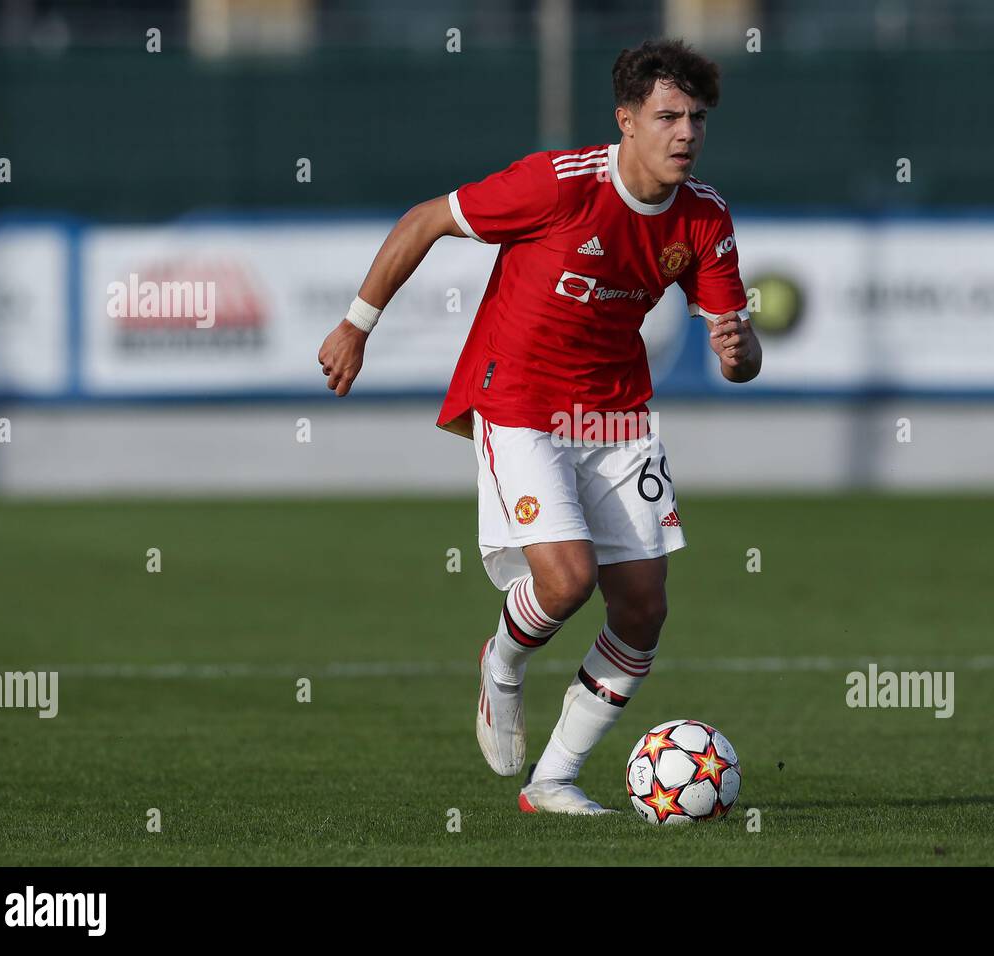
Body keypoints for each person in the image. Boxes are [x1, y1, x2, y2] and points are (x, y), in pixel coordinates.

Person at [318, 38, 762, 814]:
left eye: (695, 118)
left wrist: (740, 346)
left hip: (617, 414)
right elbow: (427, 220)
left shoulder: (705, 218)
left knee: (644, 609)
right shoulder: (557, 185)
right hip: (520, 399)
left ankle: (552, 780)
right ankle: (501, 663)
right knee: (566, 580)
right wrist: (358, 325)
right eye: (667, 117)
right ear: (626, 120)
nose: (685, 133)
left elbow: (740, 360)